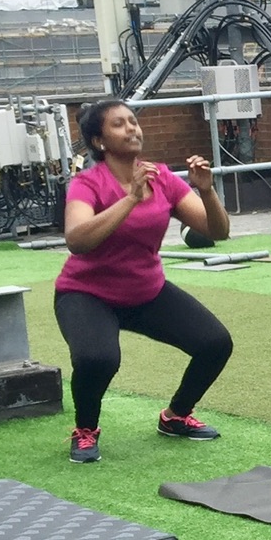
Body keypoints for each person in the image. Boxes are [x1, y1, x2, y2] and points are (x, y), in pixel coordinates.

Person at [56, 99, 234, 463]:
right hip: (87, 294)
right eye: (119, 124)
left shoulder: (162, 177)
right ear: (99, 141)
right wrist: (131, 198)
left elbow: (217, 232)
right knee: (97, 358)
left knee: (215, 343)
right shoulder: (86, 183)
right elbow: (77, 240)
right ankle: (86, 429)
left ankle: (175, 416)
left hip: (146, 291)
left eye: (133, 121)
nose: (132, 129)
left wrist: (206, 190)